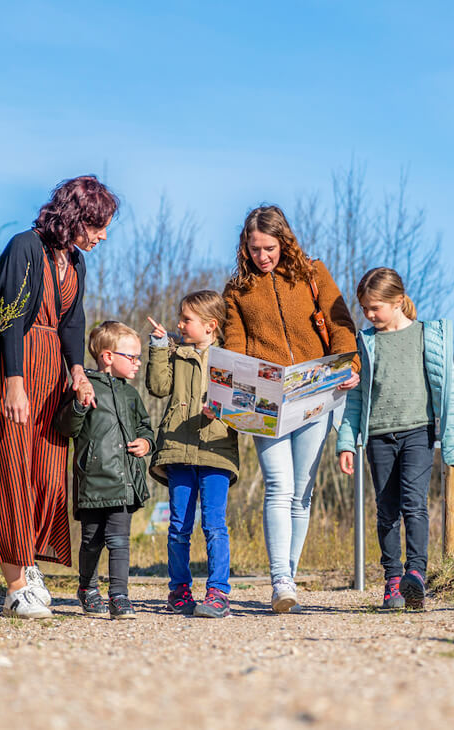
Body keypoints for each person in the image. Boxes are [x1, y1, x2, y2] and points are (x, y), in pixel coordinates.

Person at [0, 175, 116, 619]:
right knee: (9, 471)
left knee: (45, 477)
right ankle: (15, 587)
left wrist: (79, 375)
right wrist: (14, 382)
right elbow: (9, 320)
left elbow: (72, 323)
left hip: (52, 375)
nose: (103, 235)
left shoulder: (76, 261)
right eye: (98, 225)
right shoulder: (24, 247)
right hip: (13, 368)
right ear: (77, 216)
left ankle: (30, 563)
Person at [221, 205, 360, 612]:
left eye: (268, 247)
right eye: (253, 248)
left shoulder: (313, 274)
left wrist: (349, 366)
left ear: (284, 241)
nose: (261, 256)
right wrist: (235, 391)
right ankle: (280, 577)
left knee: (303, 491)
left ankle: (289, 580)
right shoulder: (237, 291)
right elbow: (234, 346)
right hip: (266, 399)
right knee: (278, 486)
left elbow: (340, 326)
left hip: (316, 393)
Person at [337, 267, 454, 610]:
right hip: (378, 436)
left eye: (375, 307)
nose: (369, 314)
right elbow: (356, 398)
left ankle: (416, 576)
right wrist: (347, 442)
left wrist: (452, 442)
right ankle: (393, 580)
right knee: (386, 510)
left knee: (414, 504)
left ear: (397, 301)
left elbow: (448, 389)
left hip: (418, 432)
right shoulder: (366, 342)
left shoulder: (427, 335)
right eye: (364, 307)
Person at [145, 291, 240, 619]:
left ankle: (218, 592)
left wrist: (222, 412)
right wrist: (158, 347)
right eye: (180, 318)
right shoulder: (177, 353)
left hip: (216, 450)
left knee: (215, 523)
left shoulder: (230, 359)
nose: (179, 324)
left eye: (187, 319)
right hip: (177, 448)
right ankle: (179, 590)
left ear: (211, 325)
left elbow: (245, 405)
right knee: (178, 525)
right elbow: (157, 387)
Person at [53, 321, 154, 619]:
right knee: (92, 540)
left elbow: (145, 427)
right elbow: (66, 427)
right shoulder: (83, 387)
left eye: (138, 357)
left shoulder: (130, 395)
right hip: (94, 482)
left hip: (125, 481)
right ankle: (87, 587)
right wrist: (80, 406)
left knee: (120, 540)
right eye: (132, 357)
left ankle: (119, 597)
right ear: (108, 357)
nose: (137, 363)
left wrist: (146, 443)